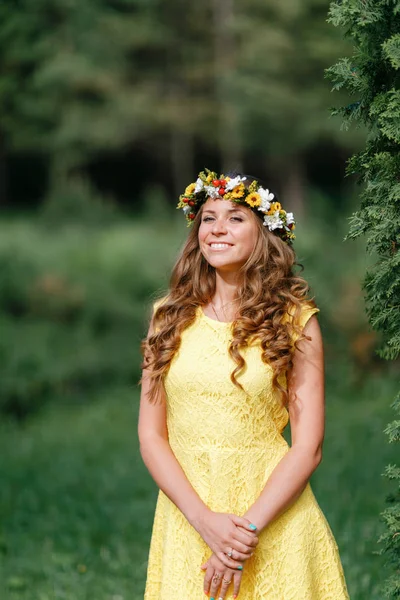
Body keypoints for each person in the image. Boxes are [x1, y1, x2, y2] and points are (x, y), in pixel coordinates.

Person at [138, 169, 349, 600]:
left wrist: (242, 535)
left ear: (264, 234)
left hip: (272, 519)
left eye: (235, 218)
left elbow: (308, 446)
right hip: (188, 515)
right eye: (208, 218)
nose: (217, 229)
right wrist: (205, 523)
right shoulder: (167, 316)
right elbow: (150, 435)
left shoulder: (296, 321)